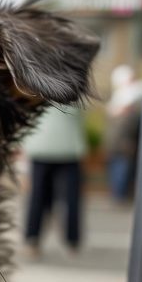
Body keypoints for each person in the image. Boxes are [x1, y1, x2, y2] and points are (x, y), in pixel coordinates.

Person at [21, 106, 87, 255]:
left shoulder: (38, 94)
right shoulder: (74, 95)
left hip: (44, 148)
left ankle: (32, 239)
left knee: (38, 198)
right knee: (70, 199)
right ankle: (72, 241)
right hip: (67, 149)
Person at [104, 65, 142, 202]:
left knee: (119, 169)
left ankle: (119, 195)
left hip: (118, 143)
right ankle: (119, 196)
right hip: (122, 144)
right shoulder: (126, 101)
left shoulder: (120, 100)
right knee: (121, 170)